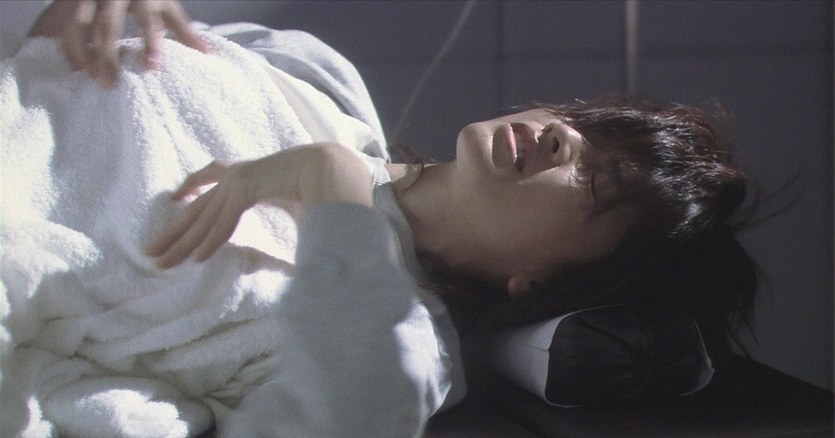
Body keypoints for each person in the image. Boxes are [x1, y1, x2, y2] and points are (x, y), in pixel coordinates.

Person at [24, 0, 757, 431]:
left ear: (539, 282)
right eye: (587, 125)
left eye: (595, 182)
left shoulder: (400, 335)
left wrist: (334, 190)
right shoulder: (320, 77)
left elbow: (352, 414)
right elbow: (51, 56)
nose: (564, 137)